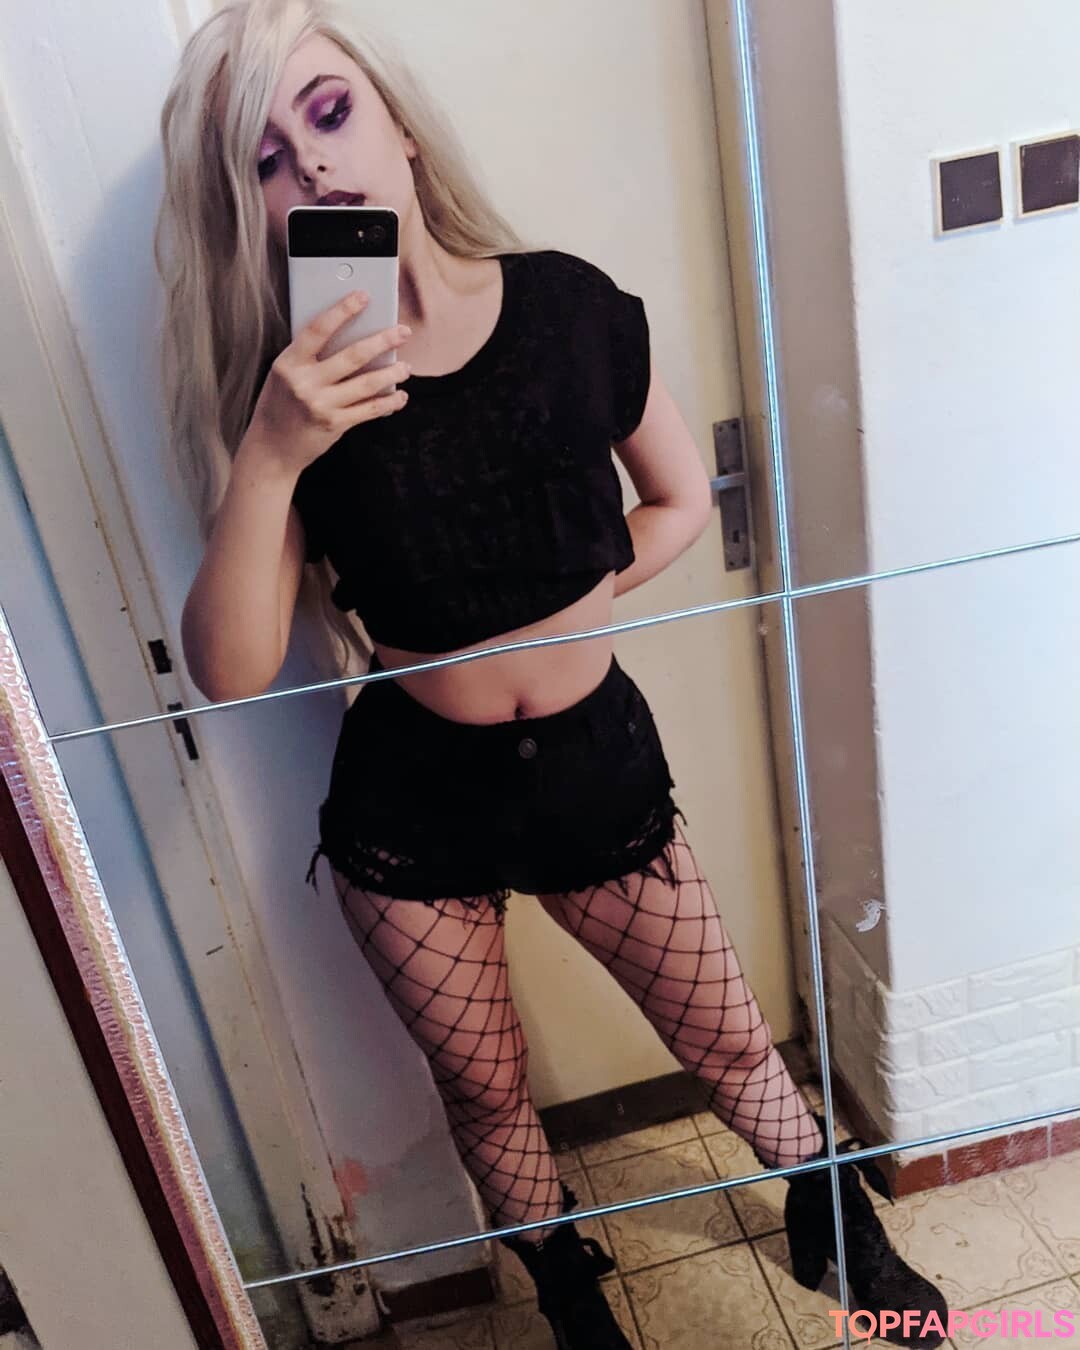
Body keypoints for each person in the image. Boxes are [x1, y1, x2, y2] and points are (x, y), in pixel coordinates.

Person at [160, 2, 947, 1345]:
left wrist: (562, 613)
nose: (315, 165)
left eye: (330, 114)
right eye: (267, 161)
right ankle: (571, 1294)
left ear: (402, 129)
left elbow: (681, 501)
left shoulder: (567, 308)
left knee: (729, 1037)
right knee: (486, 1089)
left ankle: (835, 1218)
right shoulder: (294, 402)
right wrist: (277, 449)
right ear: (253, 215)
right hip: (413, 803)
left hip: (594, 766)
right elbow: (228, 671)